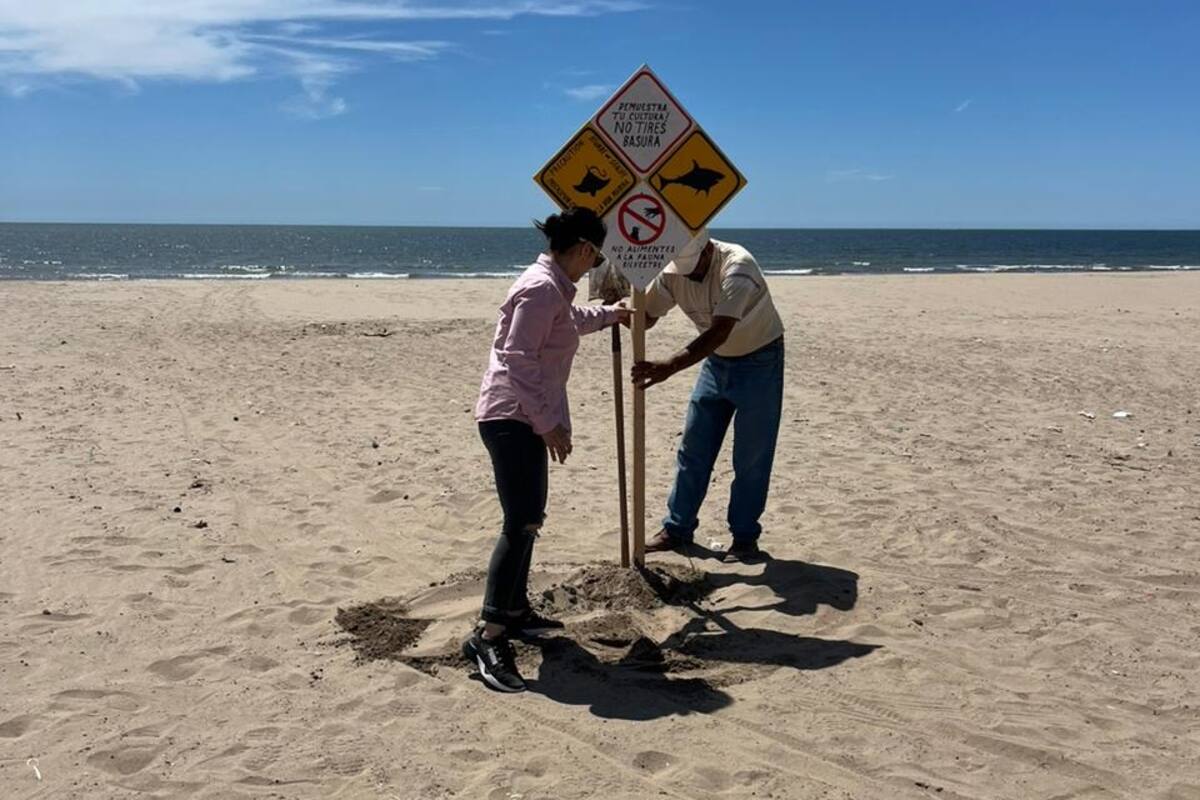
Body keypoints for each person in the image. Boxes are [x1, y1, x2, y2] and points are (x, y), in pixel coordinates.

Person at [465, 207, 629, 693]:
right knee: (520, 521)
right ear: (583, 249)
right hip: (510, 417)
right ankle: (490, 634)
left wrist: (611, 315)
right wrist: (548, 424)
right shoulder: (540, 288)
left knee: (530, 517)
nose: (595, 265)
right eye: (596, 257)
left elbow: (569, 321)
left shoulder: (552, 286)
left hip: (523, 417)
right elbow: (516, 358)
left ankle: (515, 611)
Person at [630, 231, 785, 562]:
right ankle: (677, 529)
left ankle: (744, 538)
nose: (691, 277)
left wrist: (670, 365)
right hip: (715, 361)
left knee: (751, 455)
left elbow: (719, 331)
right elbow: (648, 317)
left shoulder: (737, 266)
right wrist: (626, 310)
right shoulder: (674, 272)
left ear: (707, 251)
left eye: (695, 269)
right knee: (694, 448)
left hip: (759, 359)